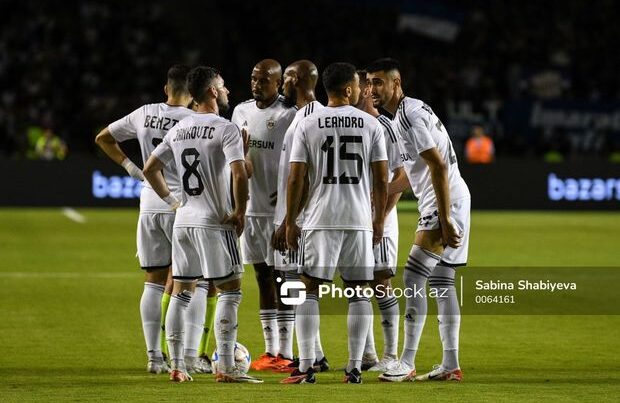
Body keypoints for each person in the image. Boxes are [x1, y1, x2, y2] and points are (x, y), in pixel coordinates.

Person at [143, 66, 261, 383]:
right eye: (222, 86)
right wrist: (240, 211)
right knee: (230, 292)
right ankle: (227, 369)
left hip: (184, 220)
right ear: (211, 91)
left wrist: (172, 202)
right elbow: (239, 173)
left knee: (181, 293)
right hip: (214, 221)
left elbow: (150, 168)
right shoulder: (225, 128)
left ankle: (178, 366)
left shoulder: (179, 129)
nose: (227, 92)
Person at [281, 62, 388, 384]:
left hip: (320, 218)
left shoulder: (309, 123)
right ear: (347, 90)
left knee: (308, 290)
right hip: (357, 219)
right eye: (358, 86)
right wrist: (378, 220)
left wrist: (289, 221)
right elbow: (382, 180)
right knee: (359, 293)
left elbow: (296, 177)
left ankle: (306, 367)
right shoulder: (371, 125)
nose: (361, 91)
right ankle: (354, 367)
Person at [366, 58, 470, 382]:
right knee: (442, 283)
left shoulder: (408, 116)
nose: (372, 90)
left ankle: (406, 362)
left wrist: (444, 216)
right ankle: (450, 364)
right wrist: (378, 193)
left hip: (445, 202)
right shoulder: (401, 116)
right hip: (451, 198)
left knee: (412, 277)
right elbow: (413, 176)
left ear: (397, 83)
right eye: (369, 83)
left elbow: (438, 166)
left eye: (379, 83)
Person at [95, 64, 193, 375]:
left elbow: (103, 138)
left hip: (150, 203)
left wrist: (131, 168)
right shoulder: (195, 120)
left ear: (167, 89)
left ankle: (153, 357)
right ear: (192, 93)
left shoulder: (144, 113)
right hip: (183, 206)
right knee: (186, 284)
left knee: (152, 282)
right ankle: (184, 357)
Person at [231, 59, 296, 371]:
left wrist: (287, 200)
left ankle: (290, 349)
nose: (256, 85)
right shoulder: (240, 111)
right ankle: (271, 351)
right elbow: (237, 162)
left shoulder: (290, 114)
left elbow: (301, 161)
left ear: (278, 82)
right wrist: (243, 158)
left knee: (286, 279)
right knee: (262, 277)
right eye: (253, 79)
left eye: (263, 81)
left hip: (280, 213)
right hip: (252, 209)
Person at [271, 60, 329, 373]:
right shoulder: (301, 116)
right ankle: (314, 353)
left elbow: (304, 177)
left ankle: (312, 358)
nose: (281, 81)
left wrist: (290, 220)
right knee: (292, 284)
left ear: (297, 79)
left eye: (286, 76)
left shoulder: (310, 117)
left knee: (299, 286)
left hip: (302, 220)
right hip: (293, 215)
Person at [354, 70, 406, 372]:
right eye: (366, 85)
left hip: (380, 221)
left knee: (381, 283)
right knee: (358, 284)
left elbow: (401, 176)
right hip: (355, 219)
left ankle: (390, 354)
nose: (368, 90)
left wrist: (381, 216)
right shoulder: (350, 124)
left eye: (370, 85)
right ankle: (368, 354)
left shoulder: (385, 126)